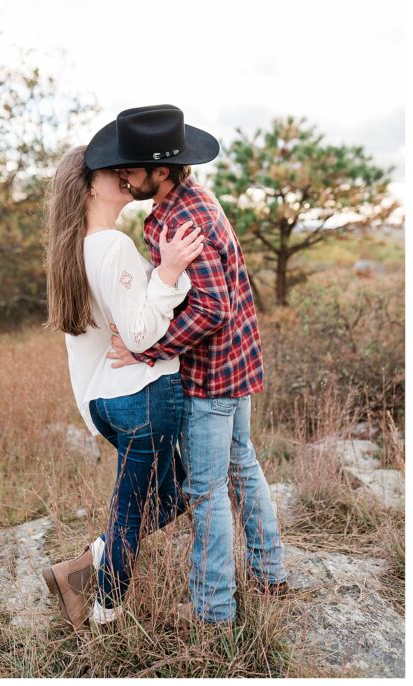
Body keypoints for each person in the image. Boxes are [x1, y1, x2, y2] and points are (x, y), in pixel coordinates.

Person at [96, 104, 290, 627]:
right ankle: (270, 572)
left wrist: (146, 349)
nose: (122, 174)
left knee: (205, 490)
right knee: (242, 464)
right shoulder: (194, 200)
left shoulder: (181, 219)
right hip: (235, 362)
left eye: (131, 167)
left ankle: (213, 612)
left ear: (161, 170)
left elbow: (209, 307)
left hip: (210, 374)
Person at [42, 144, 203, 629]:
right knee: (138, 509)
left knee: (172, 494)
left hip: (105, 400)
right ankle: (103, 617)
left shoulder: (76, 249)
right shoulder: (111, 245)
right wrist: (170, 273)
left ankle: (86, 564)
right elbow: (138, 334)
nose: (126, 175)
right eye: (113, 171)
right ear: (90, 184)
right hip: (144, 394)